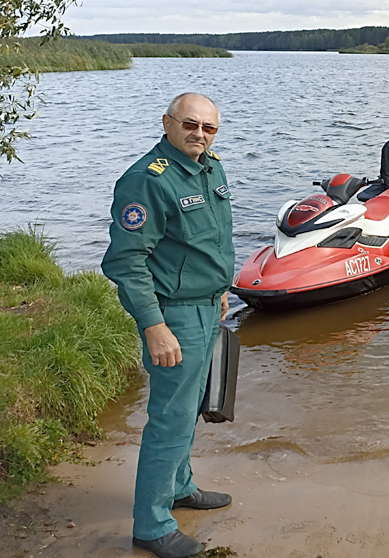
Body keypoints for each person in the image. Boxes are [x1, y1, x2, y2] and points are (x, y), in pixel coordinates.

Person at [101, 93, 235, 558]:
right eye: (190, 124)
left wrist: (219, 290)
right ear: (167, 123)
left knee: (193, 405)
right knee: (170, 419)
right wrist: (153, 326)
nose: (199, 133)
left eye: (209, 128)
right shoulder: (146, 180)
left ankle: (180, 487)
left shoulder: (209, 168)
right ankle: (152, 526)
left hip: (206, 305)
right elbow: (126, 261)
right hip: (172, 314)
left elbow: (211, 241)